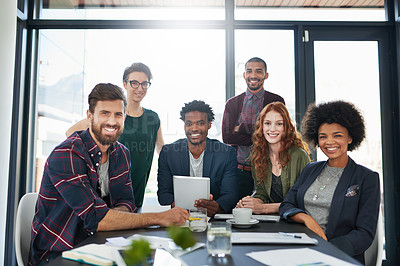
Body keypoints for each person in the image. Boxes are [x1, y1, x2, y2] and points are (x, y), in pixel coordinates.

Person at [29, 83, 188, 265]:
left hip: (102, 244)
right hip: (59, 253)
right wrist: (161, 218)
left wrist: (110, 217)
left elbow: (128, 202)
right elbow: (96, 218)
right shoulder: (67, 153)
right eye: (105, 113)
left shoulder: (122, 153)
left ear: (124, 117)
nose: (112, 121)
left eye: (118, 114)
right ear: (90, 116)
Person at [279, 100, 380, 264]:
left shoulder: (367, 178)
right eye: (323, 136)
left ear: (350, 138)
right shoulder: (310, 169)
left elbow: (364, 234)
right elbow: (286, 205)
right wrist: (306, 218)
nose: (329, 142)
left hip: (337, 255)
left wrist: (325, 249)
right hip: (299, 249)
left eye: (337, 135)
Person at [66, 62, 163, 207]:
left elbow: (161, 149)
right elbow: (70, 133)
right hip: (107, 195)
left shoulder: (153, 118)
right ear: (125, 84)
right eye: (134, 83)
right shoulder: (110, 116)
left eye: (144, 84)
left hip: (135, 195)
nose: (140, 88)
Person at [157, 100, 239, 217]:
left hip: (213, 218)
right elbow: (163, 194)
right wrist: (181, 206)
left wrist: (217, 206)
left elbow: (230, 195)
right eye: (189, 123)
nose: (194, 128)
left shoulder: (226, 153)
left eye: (200, 123)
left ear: (209, 124)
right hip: (179, 217)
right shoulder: (168, 153)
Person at [222, 57, 285, 199]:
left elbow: (277, 134)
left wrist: (241, 128)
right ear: (244, 75)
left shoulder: (277, 101)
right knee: (238, 213)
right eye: (249, 71)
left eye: (258, 71)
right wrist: (262, 133)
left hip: (269, 171)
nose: (253, 75)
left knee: (268, 213)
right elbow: (227, 137)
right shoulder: (232, 104)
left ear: (266, 75)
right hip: (240, 172)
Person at [236, 102, 310, 214]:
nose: (272, 129)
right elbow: (261, 194)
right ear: (261, 127)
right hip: (271, 220)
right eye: (267, 123)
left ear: (286, 127)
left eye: (279, 124)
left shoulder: (299, 155)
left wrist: (263, 208)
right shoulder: (258, 156)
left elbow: (303, 200)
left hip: (295, 220)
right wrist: (250, 202)